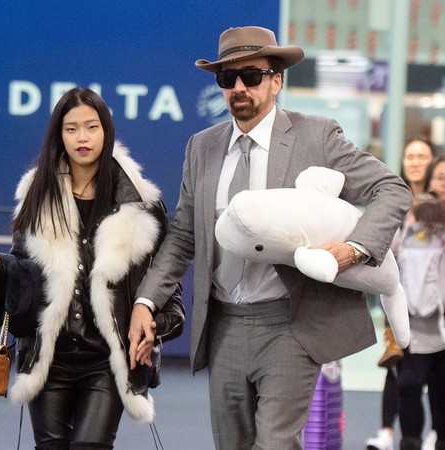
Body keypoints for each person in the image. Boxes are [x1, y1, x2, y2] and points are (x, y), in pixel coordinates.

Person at [128, 26, 413, 449]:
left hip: (291, 322)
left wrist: (353, 251)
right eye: (228, 78)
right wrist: (145, 301)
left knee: (276, 443)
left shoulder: (316, 136)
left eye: (251, 76)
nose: (239, 88)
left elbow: (392, 189)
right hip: (223, 324)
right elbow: (184, 235)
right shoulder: (201, 147)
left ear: (276, 81)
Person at [0, 88, 184, 449]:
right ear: (59, 135)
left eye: (92, 127)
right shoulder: (36, 198)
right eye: (71, 129)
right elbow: (23, 283)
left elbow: (167, 289)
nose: (82, 137)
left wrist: (154, 326)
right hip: (48, 359)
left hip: (108, 361)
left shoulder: (141, 205)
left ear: (106, 131)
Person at [367, 138, 438, 450]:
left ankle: (436, 432)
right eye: (410, 156)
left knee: (435, 373)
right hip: (399, 297)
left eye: (422, 156)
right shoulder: (393, 197)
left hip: (435, 306)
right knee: (397, 365)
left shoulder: (438, 202)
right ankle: (387, 432)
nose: (415, 162)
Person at [395, 192, 445, 450]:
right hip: (412, 332)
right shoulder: (402, 238)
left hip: (435, 331)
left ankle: (431, 440)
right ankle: (412, 442)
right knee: (411, 388)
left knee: (433, 391)